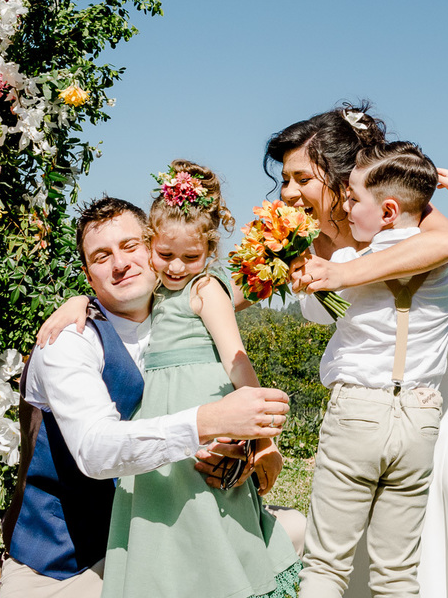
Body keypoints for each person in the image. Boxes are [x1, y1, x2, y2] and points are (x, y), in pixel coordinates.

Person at [267, 104, 448, 598]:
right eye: (284, 180)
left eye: (300, 178)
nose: (288, 192)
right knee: (395, 477)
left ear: (338, 173)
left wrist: (341, 273)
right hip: (394, 375)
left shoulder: (388, 199)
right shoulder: (308, 236)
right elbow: (319, 307)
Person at [1, 196, 292, 598]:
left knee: (302, 538)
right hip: (71, 560)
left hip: (172, 531)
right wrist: (211, 420)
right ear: (88, 275)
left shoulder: (178, 315)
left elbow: (227, 361)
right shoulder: (69, 341)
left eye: (130, 246)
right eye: (101, 256)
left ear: (153, 251)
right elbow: (96, 451)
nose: (120, 264)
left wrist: (244, 448)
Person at [297, 142, 448, 598]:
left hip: (356, 412)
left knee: (326, 566)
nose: (346, 206)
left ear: (388, 211)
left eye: (352, 197)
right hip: (420, 418)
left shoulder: (348, 266)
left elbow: (312, 311)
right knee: (397, 573)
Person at [99, 161, 301, 598]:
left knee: (207, 510)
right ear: (150, 244)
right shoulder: (152, 287)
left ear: (209, 252)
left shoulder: (205, 289)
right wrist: (76, 304)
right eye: (165, 255)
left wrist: (265, 440)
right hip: (158, 409)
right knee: (161, 512)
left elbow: (236, 361)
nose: (175, 267)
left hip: (207, 406)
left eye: (191, 257)